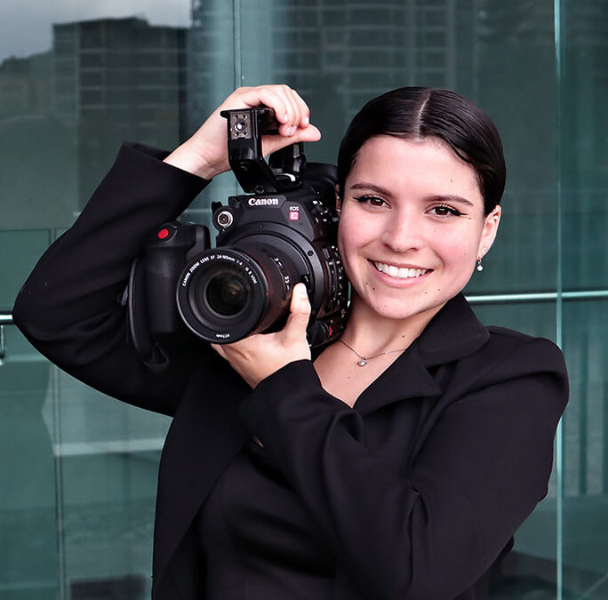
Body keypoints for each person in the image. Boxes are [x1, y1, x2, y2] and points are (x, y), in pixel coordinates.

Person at [13, 84, 568, 600]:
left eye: (442, 210)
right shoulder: (246, 342)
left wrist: (283, 388)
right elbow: (57, 312)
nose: (401, 239)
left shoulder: (511, 376)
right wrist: (200, 159)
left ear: (487, 229)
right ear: (337, 206)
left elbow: (418, 571)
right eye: (373, 200)